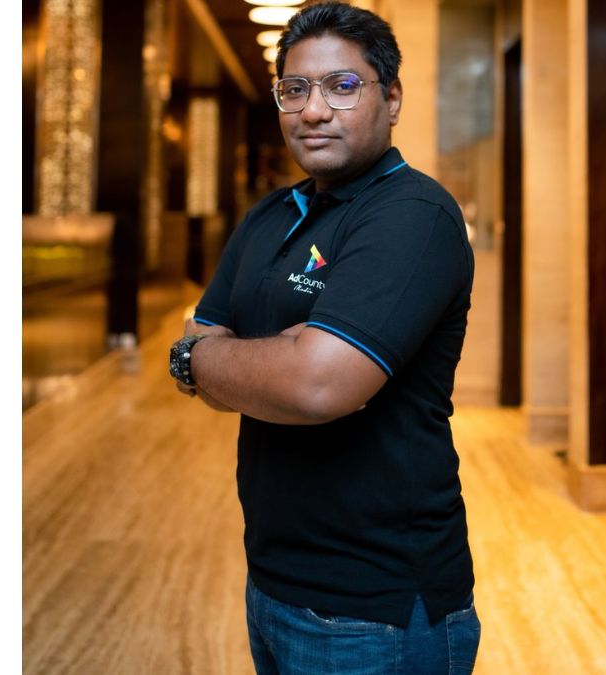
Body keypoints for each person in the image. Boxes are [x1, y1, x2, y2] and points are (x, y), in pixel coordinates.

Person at [168, 3, 479, 672]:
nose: (313, 111)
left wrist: (204, 358)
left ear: (391, 99)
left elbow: (316, 386)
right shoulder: (271, 215)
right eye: (295, 89)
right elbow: (209, 344)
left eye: (342, 86)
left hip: (375, 608)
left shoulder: (413, 214)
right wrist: (242, 357)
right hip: (271, 581)